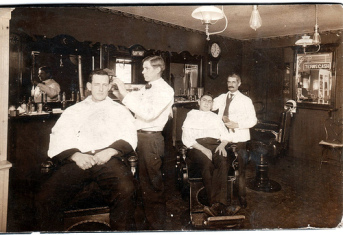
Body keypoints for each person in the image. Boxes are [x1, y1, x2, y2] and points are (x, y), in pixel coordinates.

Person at [35, 69, 138, 231]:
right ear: (89, 86)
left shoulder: (120, 110)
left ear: (110, 86)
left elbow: (130, 135)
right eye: (97, 84)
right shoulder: (73, 110)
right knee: (46, 196)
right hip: (78, 160)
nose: (101, 89)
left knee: (127, 190)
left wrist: (110, 151)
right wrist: (75, 155)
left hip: (108, 160)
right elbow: (59, 135)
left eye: (105, 85)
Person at [112, 55, 174, 230]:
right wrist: (116, 90)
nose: (142, 71)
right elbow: (131, 103)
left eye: (146, 68)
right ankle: (143, 222)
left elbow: (147, 114)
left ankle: (158, 227)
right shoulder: (147, 89)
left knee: (152, 184)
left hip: (150, 139)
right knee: (138, 182)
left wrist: (124, 91)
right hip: (137, 137)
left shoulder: (165, 90)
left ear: (157, 69)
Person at [182, 93, 240, 217]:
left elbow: (225, 135)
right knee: (207, 163)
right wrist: (203, 149)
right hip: (197, 146)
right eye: (204, 100)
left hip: (216, 145)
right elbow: (186, 137)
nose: (207, 103)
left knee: (223, 161)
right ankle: (216, 205)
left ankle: (219, 205)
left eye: (210, 101)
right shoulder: (191, 115)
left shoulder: (215, 117)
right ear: (199, 102)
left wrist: (222, 145)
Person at [212, 73, 257, 209]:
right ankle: (223, 199)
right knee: (223, 167)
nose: (230, 84)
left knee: (240, 170)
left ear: (239, 83)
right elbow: (210, 106)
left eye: (233, 82)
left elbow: (253, 120)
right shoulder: (221, 97)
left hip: (239, 138)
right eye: (228, 82)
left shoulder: (246, 100)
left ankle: (242, 199)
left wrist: (237, 124)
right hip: (223, 138)